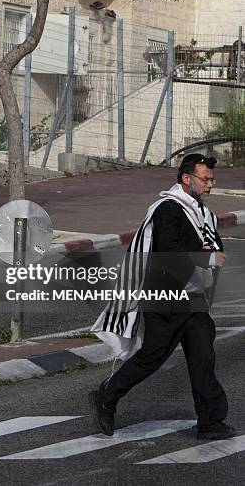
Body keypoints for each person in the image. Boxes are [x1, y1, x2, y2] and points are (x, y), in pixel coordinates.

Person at [89, 153, 235, 441]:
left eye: (212, 179)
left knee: (203, 354)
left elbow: (208, 242)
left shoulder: (202, 212)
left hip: (192, 298)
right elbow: (168, 250)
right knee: (152, 357)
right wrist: (207, 259)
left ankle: (211, 421)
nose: (210, 185)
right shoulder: (168, 209)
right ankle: (106, 396)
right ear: (186, 178)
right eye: (205, 179)